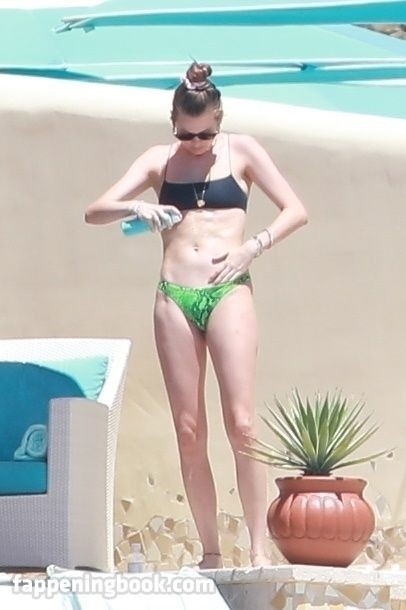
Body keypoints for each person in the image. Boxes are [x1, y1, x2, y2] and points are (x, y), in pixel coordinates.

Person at [85, 61, 308, 569]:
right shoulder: (159, 160)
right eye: (186, 135)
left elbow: (296, 210)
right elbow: (94, 211)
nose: (196, 143)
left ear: (219, 119)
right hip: (175, 296)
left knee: (242, 423)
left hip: (228, 290)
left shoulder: (243, 151)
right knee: (189, 429)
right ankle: (210, 551)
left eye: (206, 133)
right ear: (173, 124)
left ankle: (258, 547)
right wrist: (136, 209)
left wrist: (253, 246)